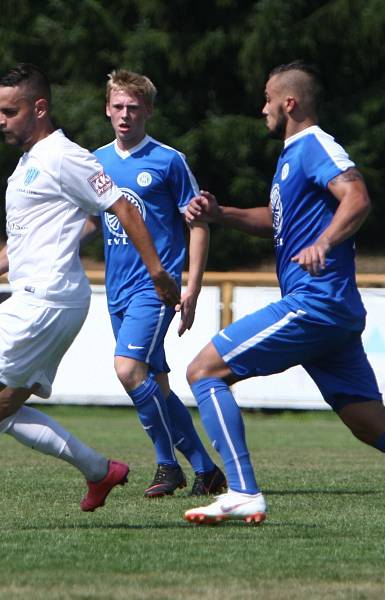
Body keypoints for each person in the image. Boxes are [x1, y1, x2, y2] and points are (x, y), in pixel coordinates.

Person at [182, 60, 385, 539]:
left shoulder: (315, 145)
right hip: (331, 313)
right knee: (370, 423)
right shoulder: (294, 155)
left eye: (268, 99)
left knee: (204, 372)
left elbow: (357, 196)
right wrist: (221, 213)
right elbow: (278, 223)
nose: (262, 108)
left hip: (315, 302)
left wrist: (326, 242)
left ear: (289, 103)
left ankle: (243, 491)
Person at [0, 63, 180, 532]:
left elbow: (123, 206)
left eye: (9, 111)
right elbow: (25, 242)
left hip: (45, 299)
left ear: (39, 108)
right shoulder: (31, 162)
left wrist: (157, 272)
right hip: (51, 298)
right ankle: (101, 471)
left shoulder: (63, 156)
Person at [85, 69, 226, 498]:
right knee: (155, 384)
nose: (125, 115)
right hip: (117, 289)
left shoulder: (168, 160)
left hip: (156, 287)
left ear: (148, 110)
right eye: (118, 107)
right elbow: (90, 222)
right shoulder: (95, 161)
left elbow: (198, 224)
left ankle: (168, 465)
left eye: (133, 107)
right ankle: (205, 469)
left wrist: (192, 288)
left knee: (127, 369)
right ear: (107, 109)